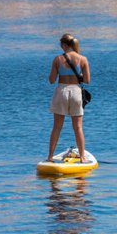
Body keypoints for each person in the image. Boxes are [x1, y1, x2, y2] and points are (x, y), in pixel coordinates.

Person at [47, 33, 91, 162]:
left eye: (61, 45)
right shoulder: (83, 59)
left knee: (56, 127)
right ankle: (82, 158)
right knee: (78, 127)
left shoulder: (57, 59)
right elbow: (87, 80)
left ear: (64, 45)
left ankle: (50, 157)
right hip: (76, 92)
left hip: (61, 91)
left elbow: (51, 80)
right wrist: (79, 75)